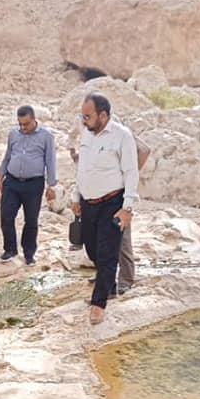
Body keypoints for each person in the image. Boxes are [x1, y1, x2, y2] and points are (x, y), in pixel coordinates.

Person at [70, 93, 139, 325]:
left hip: (112, 202)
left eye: (87, 116)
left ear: (103, 115)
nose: (84, 121)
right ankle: (108, 287)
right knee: (92, 250)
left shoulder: (122, 136)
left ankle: (99, 304)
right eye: (82, 116)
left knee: (108, 253)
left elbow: (131, 172)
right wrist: (76, 196)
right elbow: (82, 169)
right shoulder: (86, 134)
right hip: (88, 203)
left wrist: (127, 208)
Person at [70, 135, 151, 295]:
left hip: (116, 195)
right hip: (93, 196)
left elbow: (144, 150)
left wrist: (130, 175)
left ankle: (126, 279)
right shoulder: (92, 136)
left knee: (122, 239)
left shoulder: (120, 133)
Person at [0, 105, 57, 265]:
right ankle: (10, 249)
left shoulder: (46, 137)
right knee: (6, 216)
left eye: (26, 124)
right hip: (12, 181)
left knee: (31, 220)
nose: (23, 127)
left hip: (34, 184)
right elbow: (7, 156)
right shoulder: (13, 134)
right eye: (20, 124)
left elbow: (50, 162)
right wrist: (0, 178)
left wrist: (51, 186)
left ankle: (29, 253)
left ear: (34, 119)